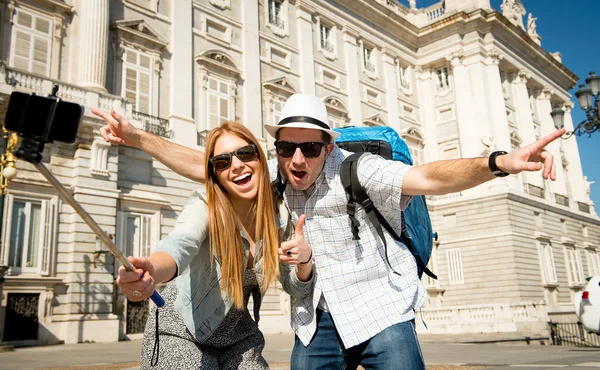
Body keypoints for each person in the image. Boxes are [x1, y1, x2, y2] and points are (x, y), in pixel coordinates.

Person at [94, 95, 564, 369]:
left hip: (377, 307)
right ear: (276, 150)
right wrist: (138, 140)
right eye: (287, 148)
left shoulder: (359, 171)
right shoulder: (265, 188)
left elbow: (428, 178)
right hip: (303, 320)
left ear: (328, 145)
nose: (298, 159)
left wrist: (500, 162)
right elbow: (200, 188)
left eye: (311, 148)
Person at [91, 113, 314, 369]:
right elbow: (180, 245)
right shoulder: (205, 204)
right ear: (215, 174)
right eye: (222, 162)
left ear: (260, 158)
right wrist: (151, 270)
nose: (237, 165)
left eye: (245, 153)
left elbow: (295, 287)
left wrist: (304, 262)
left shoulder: (279, 216)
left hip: (239, 337)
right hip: (182, 331)